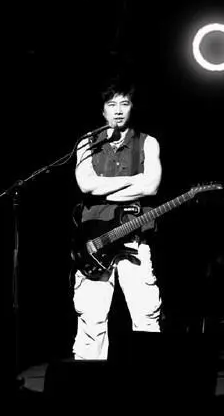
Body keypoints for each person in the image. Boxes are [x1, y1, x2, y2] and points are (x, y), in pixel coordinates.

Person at [71, 78, 162, 361]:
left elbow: (151, 187)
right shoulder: (87, 142)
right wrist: (134, 180)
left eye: (125, 103)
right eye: (112, 104)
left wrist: (105, 188)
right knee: (92, 316)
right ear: (103, 110)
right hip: (95, 240)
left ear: (132, 107)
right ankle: (88, 379)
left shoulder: (148, 142)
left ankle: (148, 376)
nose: (118, 110)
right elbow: (86, 185)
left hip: (134, 237)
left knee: (146, 314)